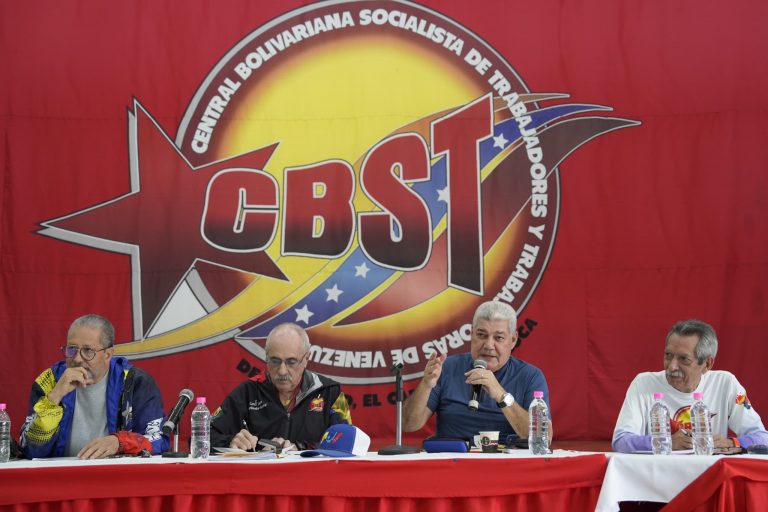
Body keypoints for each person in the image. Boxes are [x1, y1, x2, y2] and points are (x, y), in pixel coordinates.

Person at [20, 314, 169, 459]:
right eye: (71, 349)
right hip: (60, 473)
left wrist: (119, 442)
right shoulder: (50, 381)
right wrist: (54, 398)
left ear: (108, 354)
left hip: (114, 472)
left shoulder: (135, 382)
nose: (77, 359)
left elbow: (159, 440)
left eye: (87, 350)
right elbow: (31, 449)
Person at [402, 301, 551, 444]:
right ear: (471, 334)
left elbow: (543, 438)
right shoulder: (446, 368)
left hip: (504, 458)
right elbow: (407, 425)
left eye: (498, 338)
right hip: (453, 457)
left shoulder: (530, 377)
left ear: (513, 340)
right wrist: (426, 385)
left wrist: (501, 395)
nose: (489, 345)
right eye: (481, 335)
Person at [613, 319, 768, 452]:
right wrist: (666, 442)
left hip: (710, 473)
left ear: (707, 364)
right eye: (668, 355)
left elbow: (763, 438)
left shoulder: (725, 383)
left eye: (684, 359)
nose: (672, 366)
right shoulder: (643, 384)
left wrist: (731, 443)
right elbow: (621, 441)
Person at [210, 322, 352, 451]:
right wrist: (230, 442)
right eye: (275, 361)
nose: (282, 371)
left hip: (311, 471)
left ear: (306, 359)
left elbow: (347, 441)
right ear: (266, 357)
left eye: (291, 362)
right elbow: (204, 437)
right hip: (262, 471)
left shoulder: (330, 392)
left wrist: (300, 447)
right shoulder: (248, 392)